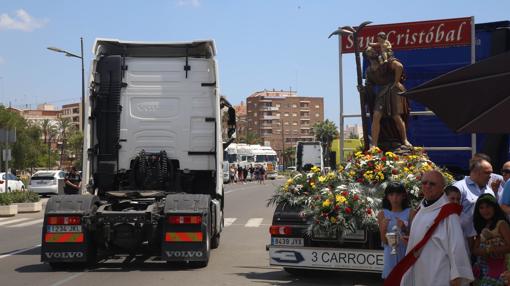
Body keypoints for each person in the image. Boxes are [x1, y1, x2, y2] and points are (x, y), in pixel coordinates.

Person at [400, 170, 473, 286]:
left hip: (438, 273)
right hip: (419, 270)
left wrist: (457, 275)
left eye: (432, 184)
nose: (427, 186)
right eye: (424, 183)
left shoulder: (448, 213)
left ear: (442, 187)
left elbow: (456, 245)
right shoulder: (421, 208)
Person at [361, 46, 410, 148]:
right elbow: (368, 86)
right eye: (369, 51)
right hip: (382, 93)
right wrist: (362, 90)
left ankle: (405, 140)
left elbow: (399, 66)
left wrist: (396, 82)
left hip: (393, 91)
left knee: (396, 116)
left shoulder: (386, 63)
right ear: (366, 56)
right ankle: (374, 144)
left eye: (373, 50)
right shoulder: (369, 71)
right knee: (376, 116)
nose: (373, 52)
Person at [378, 182, 414, 280]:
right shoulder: (382, 214)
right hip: (390, 254)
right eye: (391, 195)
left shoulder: (410, 212)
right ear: (387, 197)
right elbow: (384, 242)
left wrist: (404, 229)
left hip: (405, 253)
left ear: (403, 196)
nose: (394, 198)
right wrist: (383, 229)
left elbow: (414, 238)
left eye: (398, 194)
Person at [454, 158, 497, 242]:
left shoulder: (489, 191)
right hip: (462, 239)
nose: (490, 176)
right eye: (487, 172)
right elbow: (451, 213)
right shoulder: (459, 187)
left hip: (484, 242)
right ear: (476, 172)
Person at [471, 194, 510, 285]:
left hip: (500, 271)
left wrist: (490, 249)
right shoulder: (480, 226)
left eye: (488, 206)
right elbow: (474, 250)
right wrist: (487, 249)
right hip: (483, 271)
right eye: (481, 207)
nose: (485, 210)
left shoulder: (501, 224)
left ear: (495, 207)